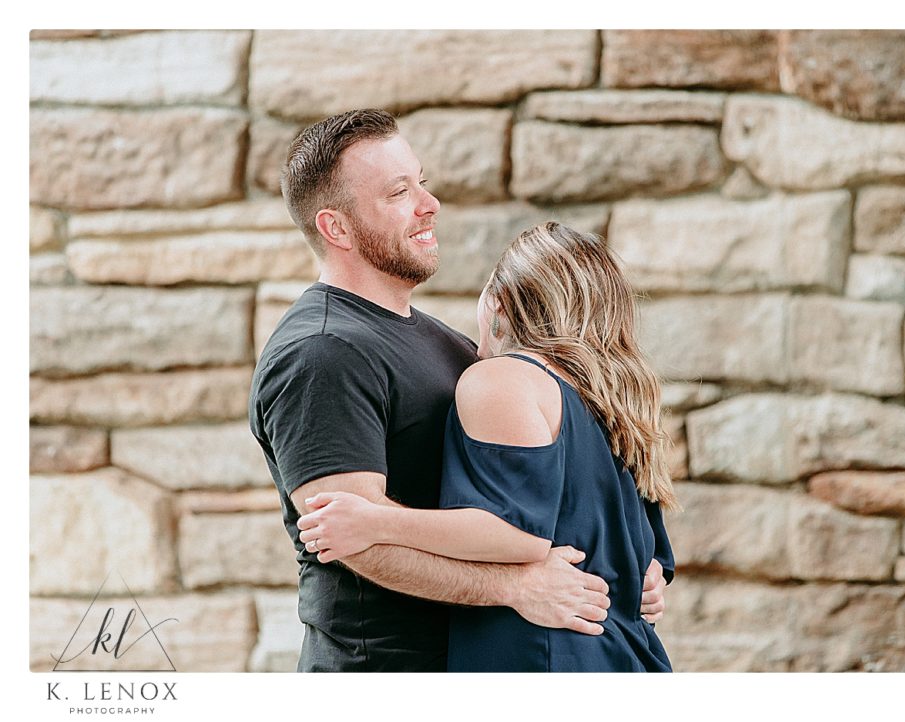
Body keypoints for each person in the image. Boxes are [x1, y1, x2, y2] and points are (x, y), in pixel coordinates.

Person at [248, 109, 669, 672]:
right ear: (337, 228)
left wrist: (628, 562)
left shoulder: (449, 346)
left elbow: (540, 486)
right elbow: (356, 543)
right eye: (399, 192)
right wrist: (515, 587)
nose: (430, 203)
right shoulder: (323, 353)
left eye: (421, 180)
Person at [298, 221, 678, 672]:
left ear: (498, 304)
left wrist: (376, 521)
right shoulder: (616, 403)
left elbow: (520, 535)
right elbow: (651, 560)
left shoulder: (503, 379)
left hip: (538, 659)